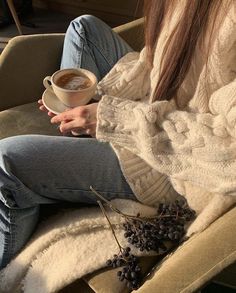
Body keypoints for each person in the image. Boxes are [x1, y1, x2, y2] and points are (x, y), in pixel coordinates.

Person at [0, 0, 236, 270]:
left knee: (5, 162)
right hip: (156, 111)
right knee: (84, 29)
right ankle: (70, 139)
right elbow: (162, 63)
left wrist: (113, 117)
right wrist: (98, 100)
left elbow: (230, 152)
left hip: (176, 166)